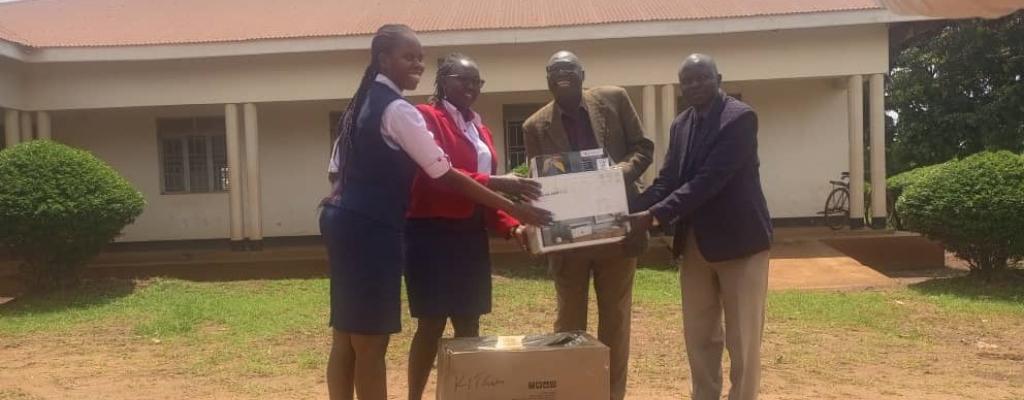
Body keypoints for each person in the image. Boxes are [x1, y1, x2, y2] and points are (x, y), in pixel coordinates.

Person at [320, 25, 551, 400]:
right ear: (383, 59)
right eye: (408, 57)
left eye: (420, 58)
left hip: (348, 221)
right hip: (379, 230)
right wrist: (511, 201)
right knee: (371, 342)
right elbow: (443, 174)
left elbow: (336, 170)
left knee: (347, 336)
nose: (417, 64)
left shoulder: (360, 103)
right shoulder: (401, 110)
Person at [627, 53, 772, 400]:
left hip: (741, 243)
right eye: (687, 80)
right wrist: (621, 209)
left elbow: (709, 181)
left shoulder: (739, 118)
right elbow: (668, 180)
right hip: (695, 244)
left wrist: (653, 216)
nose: (694, 85)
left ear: (718, 78)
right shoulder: (681, 124)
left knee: (743, 339)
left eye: (701, 78)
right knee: (700, 335)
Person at [404, 53, 542, 400]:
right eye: (462, 79)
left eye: (476, 82)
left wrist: (513, 227)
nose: (470, 87)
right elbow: (437, 175)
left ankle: (465, 393)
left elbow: (482, 196)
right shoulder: (425, 117)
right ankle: (414, 397)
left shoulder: (480, 128)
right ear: (443, 81)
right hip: (430, 235)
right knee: (432, 324)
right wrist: (499, 182)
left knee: (469, 323)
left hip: (469, 237)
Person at [522, 50, 653, 400]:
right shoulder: (534, 126)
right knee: (569, 324)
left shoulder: (614, 99)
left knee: (615, 322)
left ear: (583, 74)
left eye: (569, 69)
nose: (562, 75)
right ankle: (572, 392)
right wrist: (532, 227)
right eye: (554, 71)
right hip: (567, 240)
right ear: (547, 78)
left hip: (616, 232)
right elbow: (540, 185)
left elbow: (643, 147)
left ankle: (612, 395)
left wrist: (615, 176)